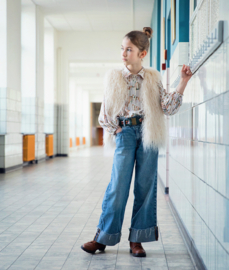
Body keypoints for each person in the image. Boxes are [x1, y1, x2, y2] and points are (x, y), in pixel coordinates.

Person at [81, 27, 193, 257]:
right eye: (122, 48)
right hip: (125, 133)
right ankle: (102, 238)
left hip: (148, 133)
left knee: (145, 187)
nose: (123, 53)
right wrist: (118, 129)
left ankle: (137, 240)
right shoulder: (113, 77)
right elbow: (104, 115)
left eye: (129, 49)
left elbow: (167, 107)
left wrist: (183, 81)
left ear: (142, 54)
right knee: (117, 187)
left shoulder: (153, 77)